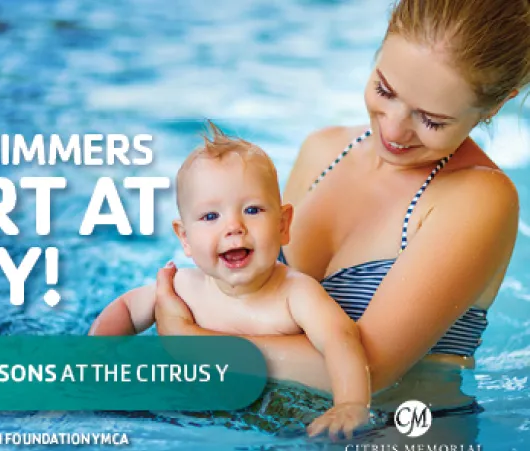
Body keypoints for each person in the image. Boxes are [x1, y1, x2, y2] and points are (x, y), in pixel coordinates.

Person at [152, 0, 526, 429]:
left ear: (494, 106)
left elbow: (372, 368)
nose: (394, 128)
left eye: (432, 120)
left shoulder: (478, 198)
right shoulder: (323, 151)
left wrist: (194, 346)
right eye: (385, 90)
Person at [90, 125, 371, 437]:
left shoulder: (296, 294)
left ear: (282, 225)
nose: (234, 226)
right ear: (185, 238)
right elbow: (127, 309)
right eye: (211, 217)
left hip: (274, 424)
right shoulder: (184, 289)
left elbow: (340, 340)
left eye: (252, 210)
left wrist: (351, 403)